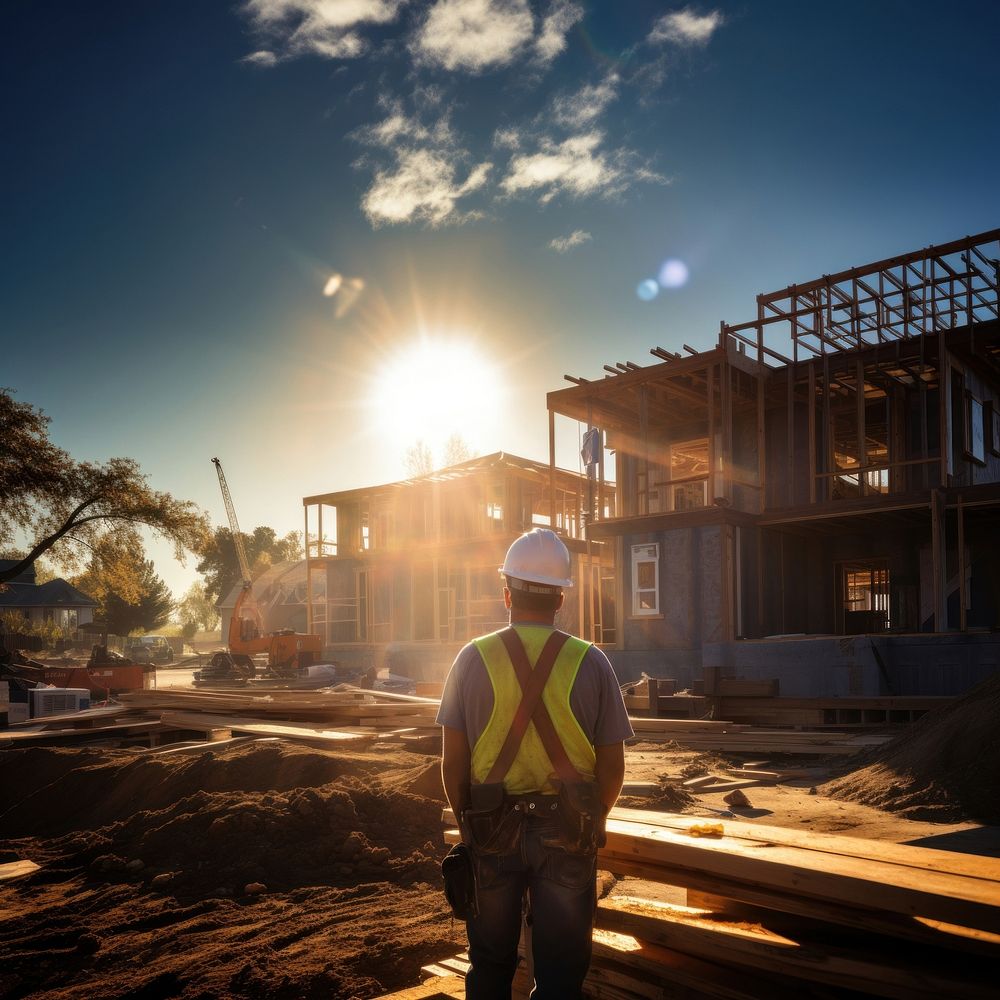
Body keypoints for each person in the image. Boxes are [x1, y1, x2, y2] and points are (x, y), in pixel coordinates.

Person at [437, 528, 633, 1000]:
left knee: (489, 965)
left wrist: (470, 825)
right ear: (561, 599)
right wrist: (592, 819)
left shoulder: (471, 658)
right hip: (568, 830)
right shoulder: (592, 661)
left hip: (489, 827)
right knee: (561, 976)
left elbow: (452, 763)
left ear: (507, 592)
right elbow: (613, 766)